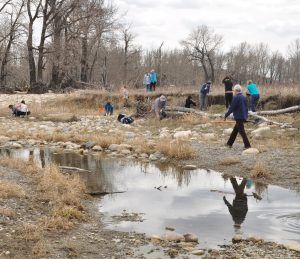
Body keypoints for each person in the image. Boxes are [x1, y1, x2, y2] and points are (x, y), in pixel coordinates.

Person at [224, 84, 251, 149]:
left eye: (234, 91)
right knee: (235, 131)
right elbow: (246, 108)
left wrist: (226, 115)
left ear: (236, 90)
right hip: (242, 116)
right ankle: (229, 144)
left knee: (242, 131)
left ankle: (248, 146)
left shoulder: (236, 97)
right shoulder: (243, 97)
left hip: (239, 117)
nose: (233, 92)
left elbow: (232, 108)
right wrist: (246, 116)